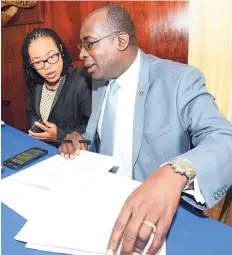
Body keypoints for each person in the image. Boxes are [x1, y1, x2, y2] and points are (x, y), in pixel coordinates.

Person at [59, 4, 232, 254]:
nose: (82, 54)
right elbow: (103, 138)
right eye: (80, 47)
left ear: (120, 41)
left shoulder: (180, 81)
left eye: (89, 43)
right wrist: (80, 140)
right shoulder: (100, 83)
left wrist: (174, 172)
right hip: (101, 206)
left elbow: (225, 139)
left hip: (156, 220)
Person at [22, 28, 92, 146]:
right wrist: (38, 129)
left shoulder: (82, 81)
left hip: (72, 152)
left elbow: (94, 126)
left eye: (52, 56)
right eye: (38, 62)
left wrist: (60, 135)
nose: (47, 66)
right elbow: (31, 111)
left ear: (60, 50)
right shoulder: (35, 80)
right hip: (44, 149)